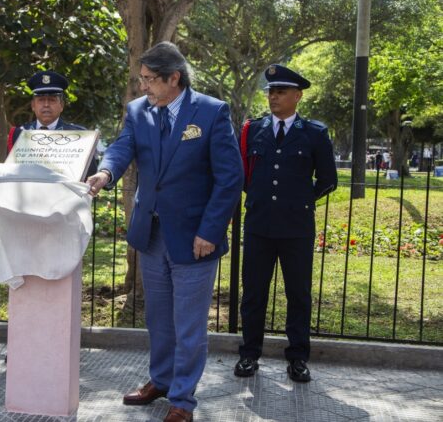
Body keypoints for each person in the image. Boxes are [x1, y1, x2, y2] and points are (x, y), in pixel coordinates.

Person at [87, 42, 243, 422]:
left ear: (174, 78)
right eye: (141, 80)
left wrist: (210, 230)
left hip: (195, 240)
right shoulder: (138, 111)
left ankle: (182, 400)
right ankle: (160, 379)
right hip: (152, 235)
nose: (144, 88)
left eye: (150, 80)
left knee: (189, 324)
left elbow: (230, 179)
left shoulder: (211, 111)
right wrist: (106, 173)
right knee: (158, 318)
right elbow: (123, 147)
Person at [234, 64, 337, 383]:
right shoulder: (253, 129)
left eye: (280, 92)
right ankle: (249, 354)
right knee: (253, 293)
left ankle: (298, 358)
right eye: (270, 91)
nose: (273, 97)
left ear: (298, 96)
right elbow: (244, 175)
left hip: (296, 227)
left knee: (298, 294)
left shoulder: (315, 134)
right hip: (259, 225)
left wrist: (300, 200)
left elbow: (328, 180)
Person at [8, 70, 97, 178]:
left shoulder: (80, 136)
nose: (46, 104)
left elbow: (89, 177)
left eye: (52, 100)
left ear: (61, 105)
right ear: (33, 105)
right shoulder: (18, 134)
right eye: (41, 100)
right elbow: (10, 172)